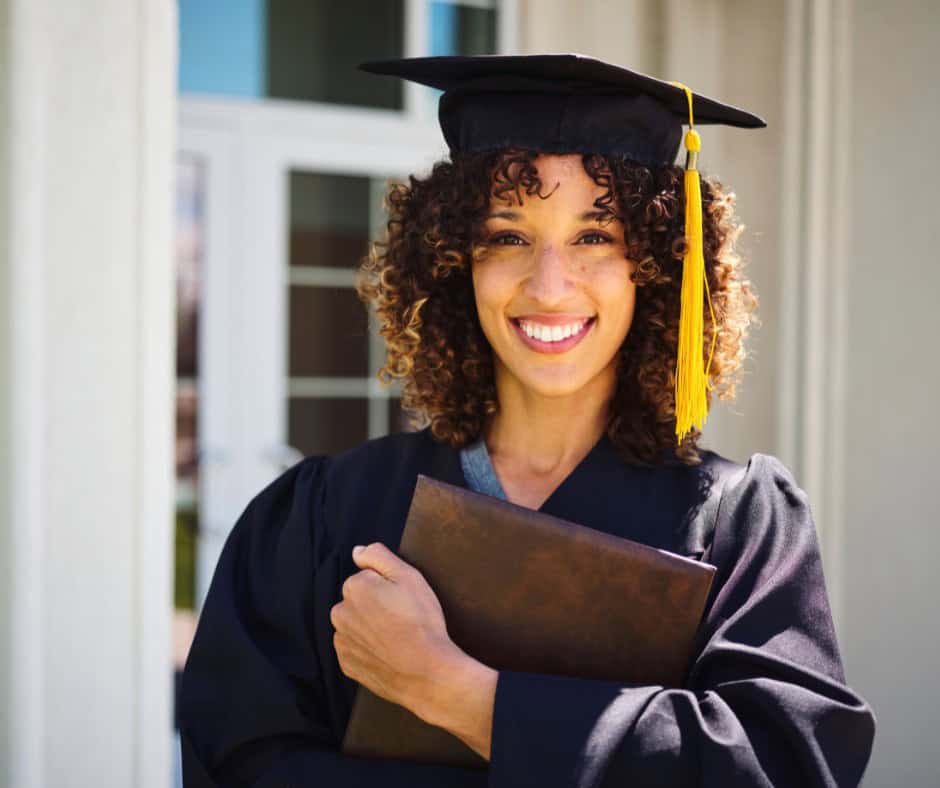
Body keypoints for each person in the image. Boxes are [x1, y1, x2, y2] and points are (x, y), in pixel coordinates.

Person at [178, 54, 877, 787]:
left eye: (594, 237)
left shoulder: (739, 526)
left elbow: (783, 765)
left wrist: (458, 694)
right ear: (453, 261)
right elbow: (240, 756)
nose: (548, 285)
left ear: (658, 266)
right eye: (508, 235)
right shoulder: (327, 513)